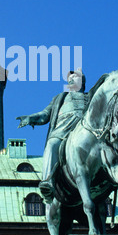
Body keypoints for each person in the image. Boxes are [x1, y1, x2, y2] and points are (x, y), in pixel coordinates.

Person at [17, 68, 88, 203]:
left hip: (84, 131)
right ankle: (48, 181)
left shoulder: (90, 97)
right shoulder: (59, 99)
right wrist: (30, 118)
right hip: (62, 130)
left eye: (75, 78)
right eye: (70, 79)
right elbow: (45, 115)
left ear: (82, 82)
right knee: (51, 145)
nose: (71, 80)